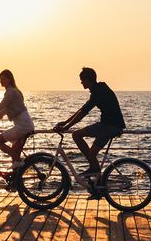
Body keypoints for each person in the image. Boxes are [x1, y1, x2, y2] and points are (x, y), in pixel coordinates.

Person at [54, 67, 125, 196]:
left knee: (76, 135)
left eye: (82, 80)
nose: (81, 83)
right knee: (92, 153)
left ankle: (94, 168)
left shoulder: (98, 91)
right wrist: (65, 123)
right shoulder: (100, 89)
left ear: (88, 79)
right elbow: (82, 109)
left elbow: (83, 112)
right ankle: (98, 187)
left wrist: (67, 128)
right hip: (112, 126)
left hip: (108, 126)